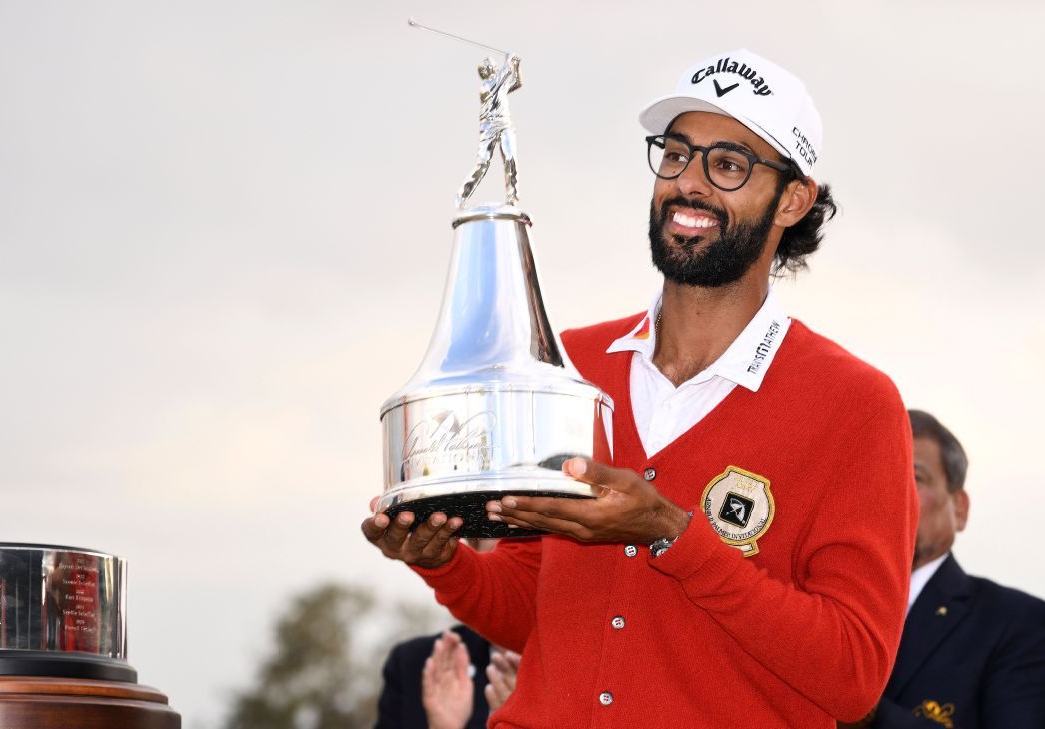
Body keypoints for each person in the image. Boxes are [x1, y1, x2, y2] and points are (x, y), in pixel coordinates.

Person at [363, 48, 918, 728]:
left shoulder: (855, 404)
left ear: (793, 199)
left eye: (728, 165)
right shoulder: (569, 364)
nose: (689, 184)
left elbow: (853, 675)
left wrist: (671, 532)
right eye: (676, 155)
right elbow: (532, 607)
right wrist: (443, 561)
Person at [844, 410, 1045, 728]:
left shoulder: (1015, 622)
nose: (890, 493)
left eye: (915, 478)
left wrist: (868, 711)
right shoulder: (821, 600)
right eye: (877, 476)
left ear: (959, 508)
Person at [376, 539, 521, 729]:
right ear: (473, 556)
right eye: (502, 556)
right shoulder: (415, 665)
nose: (519, 573)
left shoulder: (563, 671)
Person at [456, 54, 523, 208]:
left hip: (505, 124)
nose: (495, 67)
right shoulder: (486, 86)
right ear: (487, 70)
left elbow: (516, 82)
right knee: (483, 164)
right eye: (492, 65)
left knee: (510, 158)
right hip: (488, 127)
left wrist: (516, 66)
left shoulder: (500, 84)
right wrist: (509, 60)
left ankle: (512, 196)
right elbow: (505, 73)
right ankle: (462, 195)